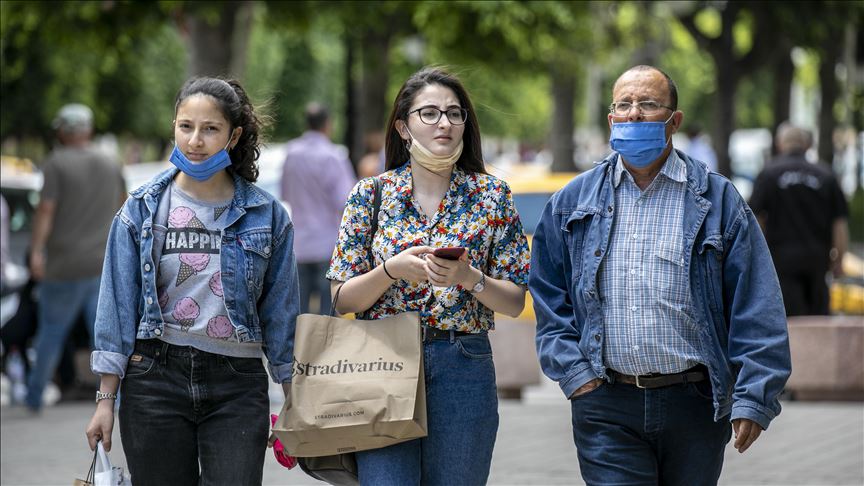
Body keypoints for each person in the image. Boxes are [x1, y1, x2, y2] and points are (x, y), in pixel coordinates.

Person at [529, 65, 791, 486]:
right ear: (611, 118)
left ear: (675, 120)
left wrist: (754, 397)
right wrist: (577, 377)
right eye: (624, 105)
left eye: (648, 104)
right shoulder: (571, 202)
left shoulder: (717, 200)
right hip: (606, 401)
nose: (634, 114)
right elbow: (547, 295)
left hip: (696, 403)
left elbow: (756, 301)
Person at [85, 77, 299, 485]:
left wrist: (293, 400)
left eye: (210, 129)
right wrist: (105, 401)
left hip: (237, 384)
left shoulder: (267, 217)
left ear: (233, 136)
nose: (195, 140)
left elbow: (281, 317)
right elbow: (116, 308)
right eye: (186, 126)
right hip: (154, 379)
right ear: (173, 126)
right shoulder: (141, 209)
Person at [326, 66, 530, 485]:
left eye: (455, 114)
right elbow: (341, 298)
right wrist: (390, 270)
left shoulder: (492, 194)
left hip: (463, 362)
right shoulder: (371, 194)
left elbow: (513, 301)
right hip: (381, 362)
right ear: (403, 126)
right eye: (430, 113)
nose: (445, 123)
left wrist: (468, 276)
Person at [25, 104, 126, 412]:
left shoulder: (55, 163)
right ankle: (116, 402)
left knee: (51, 333)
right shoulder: (111, 164)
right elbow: (125, 208)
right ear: (89, 130)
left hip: (63, 266)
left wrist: (37, 251)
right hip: (102, 264)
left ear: (63, 132)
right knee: (105, 337)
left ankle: (33, 398)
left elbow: (46, 210)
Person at [749, 122, 849, 316]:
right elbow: (839, 223)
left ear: (779, 144)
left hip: (780, 261)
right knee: (817, 321)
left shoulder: (769, 174)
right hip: (818, 260)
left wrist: (756, 258)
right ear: (807, 145)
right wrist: (840, 260)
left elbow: (755, 219)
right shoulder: (826, 175)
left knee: (787, 321)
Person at [281, 102, 355, 315]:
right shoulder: (332, 155)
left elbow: (285, 194)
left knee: (299, 315)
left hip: (299, 244)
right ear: (327, 124)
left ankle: (298, 350)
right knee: (327, 317)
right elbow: (346, 202)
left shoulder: (292, 153)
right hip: (327, 244)